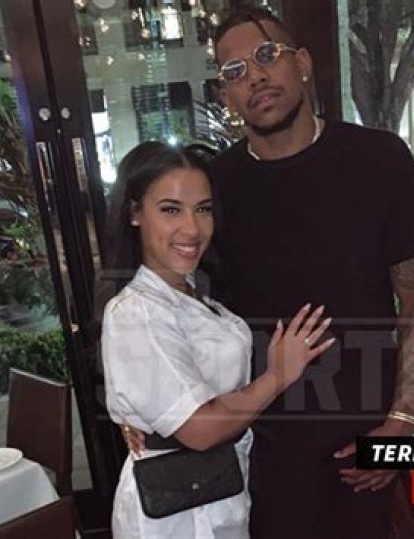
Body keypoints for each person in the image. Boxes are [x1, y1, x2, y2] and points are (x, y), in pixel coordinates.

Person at [125, 6, 414, 538]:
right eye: (235, 71)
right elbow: (176, 301)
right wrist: (147, 400)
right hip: (259, 442)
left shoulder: (378, 160)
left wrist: (401, 424)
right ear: (226, 95)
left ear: (303, 64)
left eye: (266, 55)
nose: (254, 76)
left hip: (363, 435)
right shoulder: (215, 188)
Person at [101, 141, 335, 538]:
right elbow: (201, 428)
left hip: (218, 490)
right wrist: (278, 375)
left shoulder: (193, 292)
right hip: (177, 516)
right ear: (135, 213)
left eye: (203, 209)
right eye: (170, 209)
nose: (192, 228)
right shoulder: (136, 311)